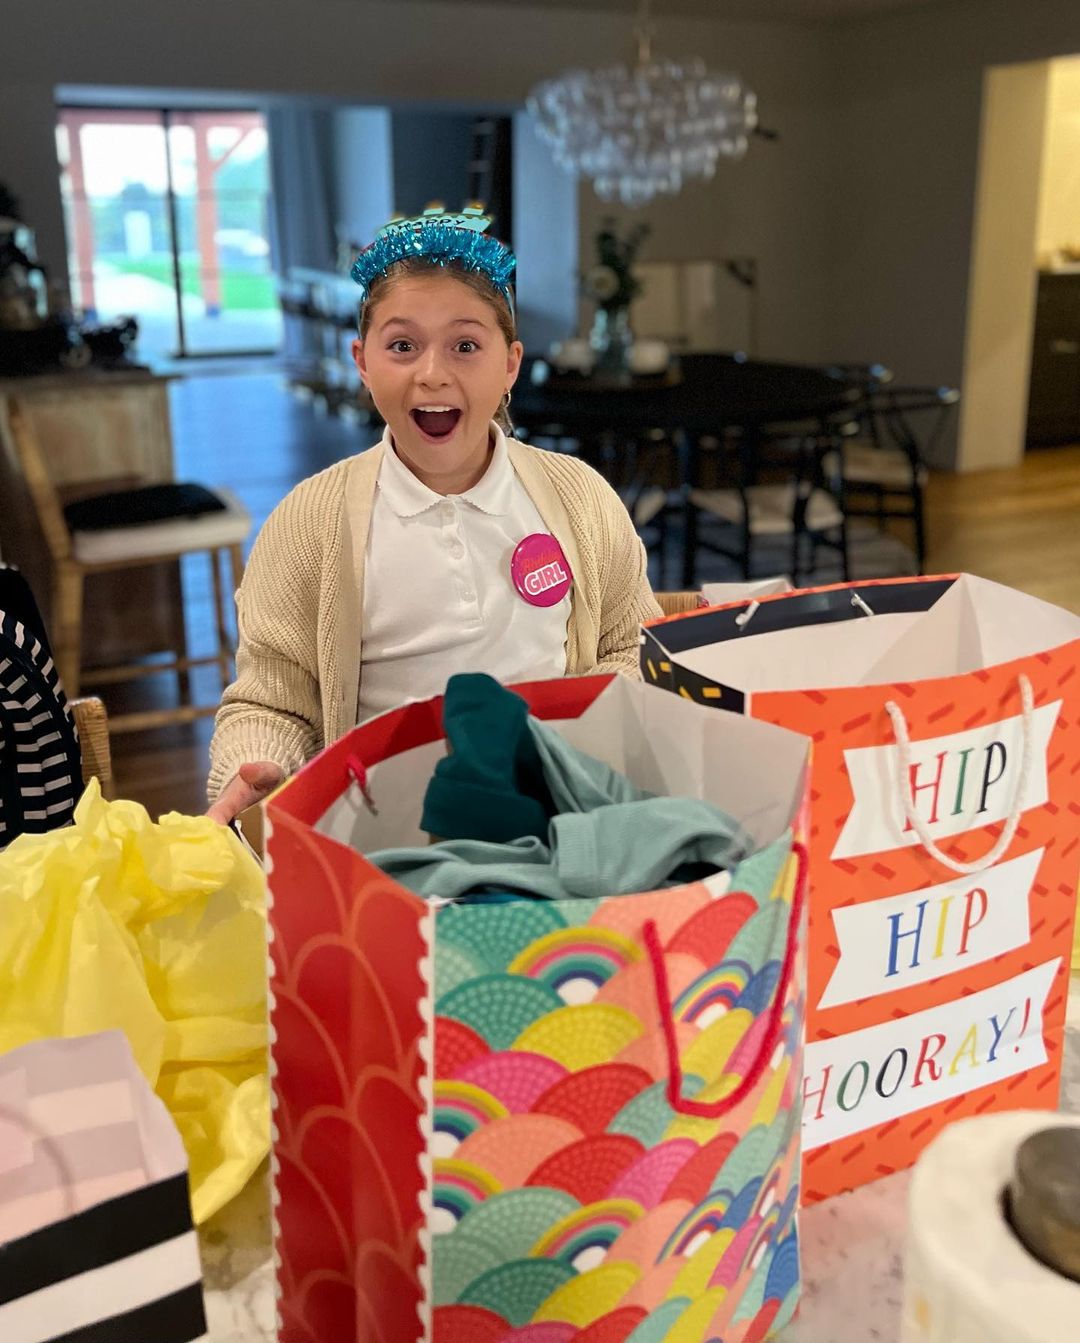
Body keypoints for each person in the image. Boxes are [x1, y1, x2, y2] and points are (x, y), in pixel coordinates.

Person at [206, 204, 661, 826]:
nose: (432, 375)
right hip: (386, 836)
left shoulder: (578, 495)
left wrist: (575, 752)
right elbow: (273, 703)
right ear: (363, 362)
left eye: (465, 346)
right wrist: (255, 766)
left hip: (560, 810)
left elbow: (630, 645)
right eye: (402, 346)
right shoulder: (308, 523)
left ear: (510, 363)